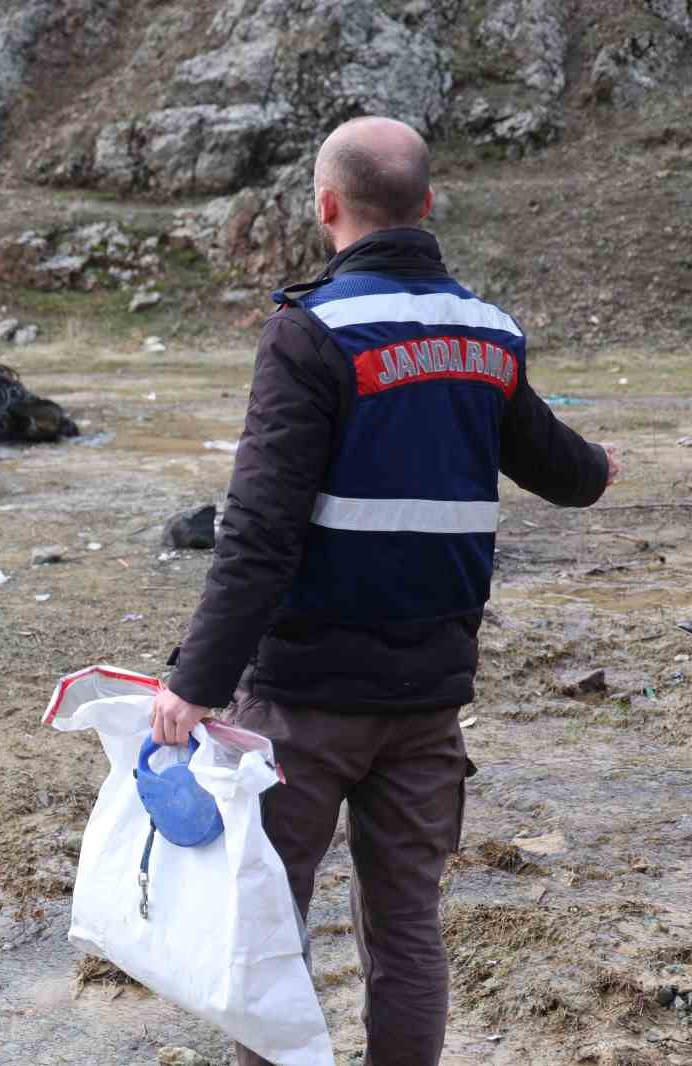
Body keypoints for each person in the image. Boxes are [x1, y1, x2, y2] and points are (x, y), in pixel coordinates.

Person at [149, 116, 619, 1066]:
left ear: (326, 207)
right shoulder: (489, 335)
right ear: (428, 204)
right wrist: (603, 467)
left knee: (265, 928)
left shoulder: (309, 332)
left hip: (303, 707)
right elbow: (560, 471)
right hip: (428, 705)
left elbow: (258, 533)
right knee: (407, 935)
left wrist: (194, 683)